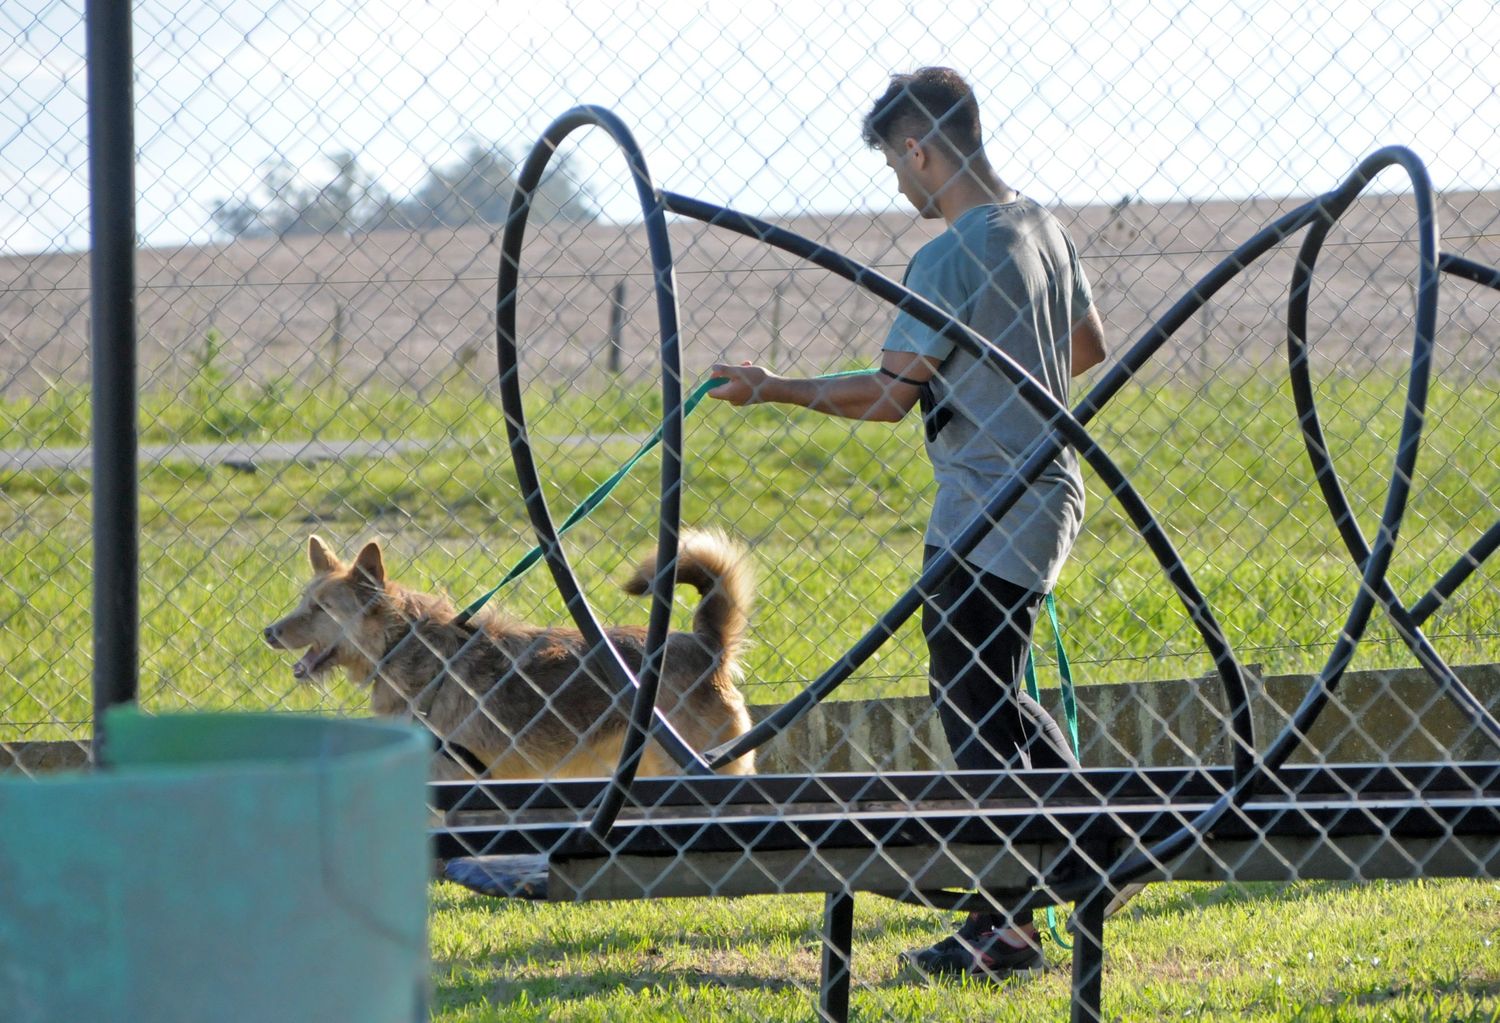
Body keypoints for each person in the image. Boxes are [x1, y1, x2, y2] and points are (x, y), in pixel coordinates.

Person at [707, 66, 1108, 982]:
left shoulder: (946, 256)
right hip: (1050, 491)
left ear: (920, 148)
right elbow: (1084, 349)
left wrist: (772, 388)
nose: (895, 182)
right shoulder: (1044, 227)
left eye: (894, 161)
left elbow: (891, 398)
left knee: (972, 699)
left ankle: (1013, 920)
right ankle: (1083, 854)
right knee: (992, 689)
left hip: (982, 502)